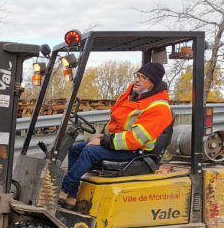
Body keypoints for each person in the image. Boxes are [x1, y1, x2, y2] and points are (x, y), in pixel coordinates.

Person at [59, 62, 173, 207]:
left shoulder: (159, 108)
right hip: (120, 144)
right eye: (137, 75)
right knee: (74, 149)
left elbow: (136, 139)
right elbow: (117, 121)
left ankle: (64, 188)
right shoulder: (132, 96)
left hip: (137, 151)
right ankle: (71, 196)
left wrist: (104, 142)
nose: (137, 80)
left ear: (152, 83)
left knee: (90, 152)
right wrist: (102, 136)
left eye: (142, 77)